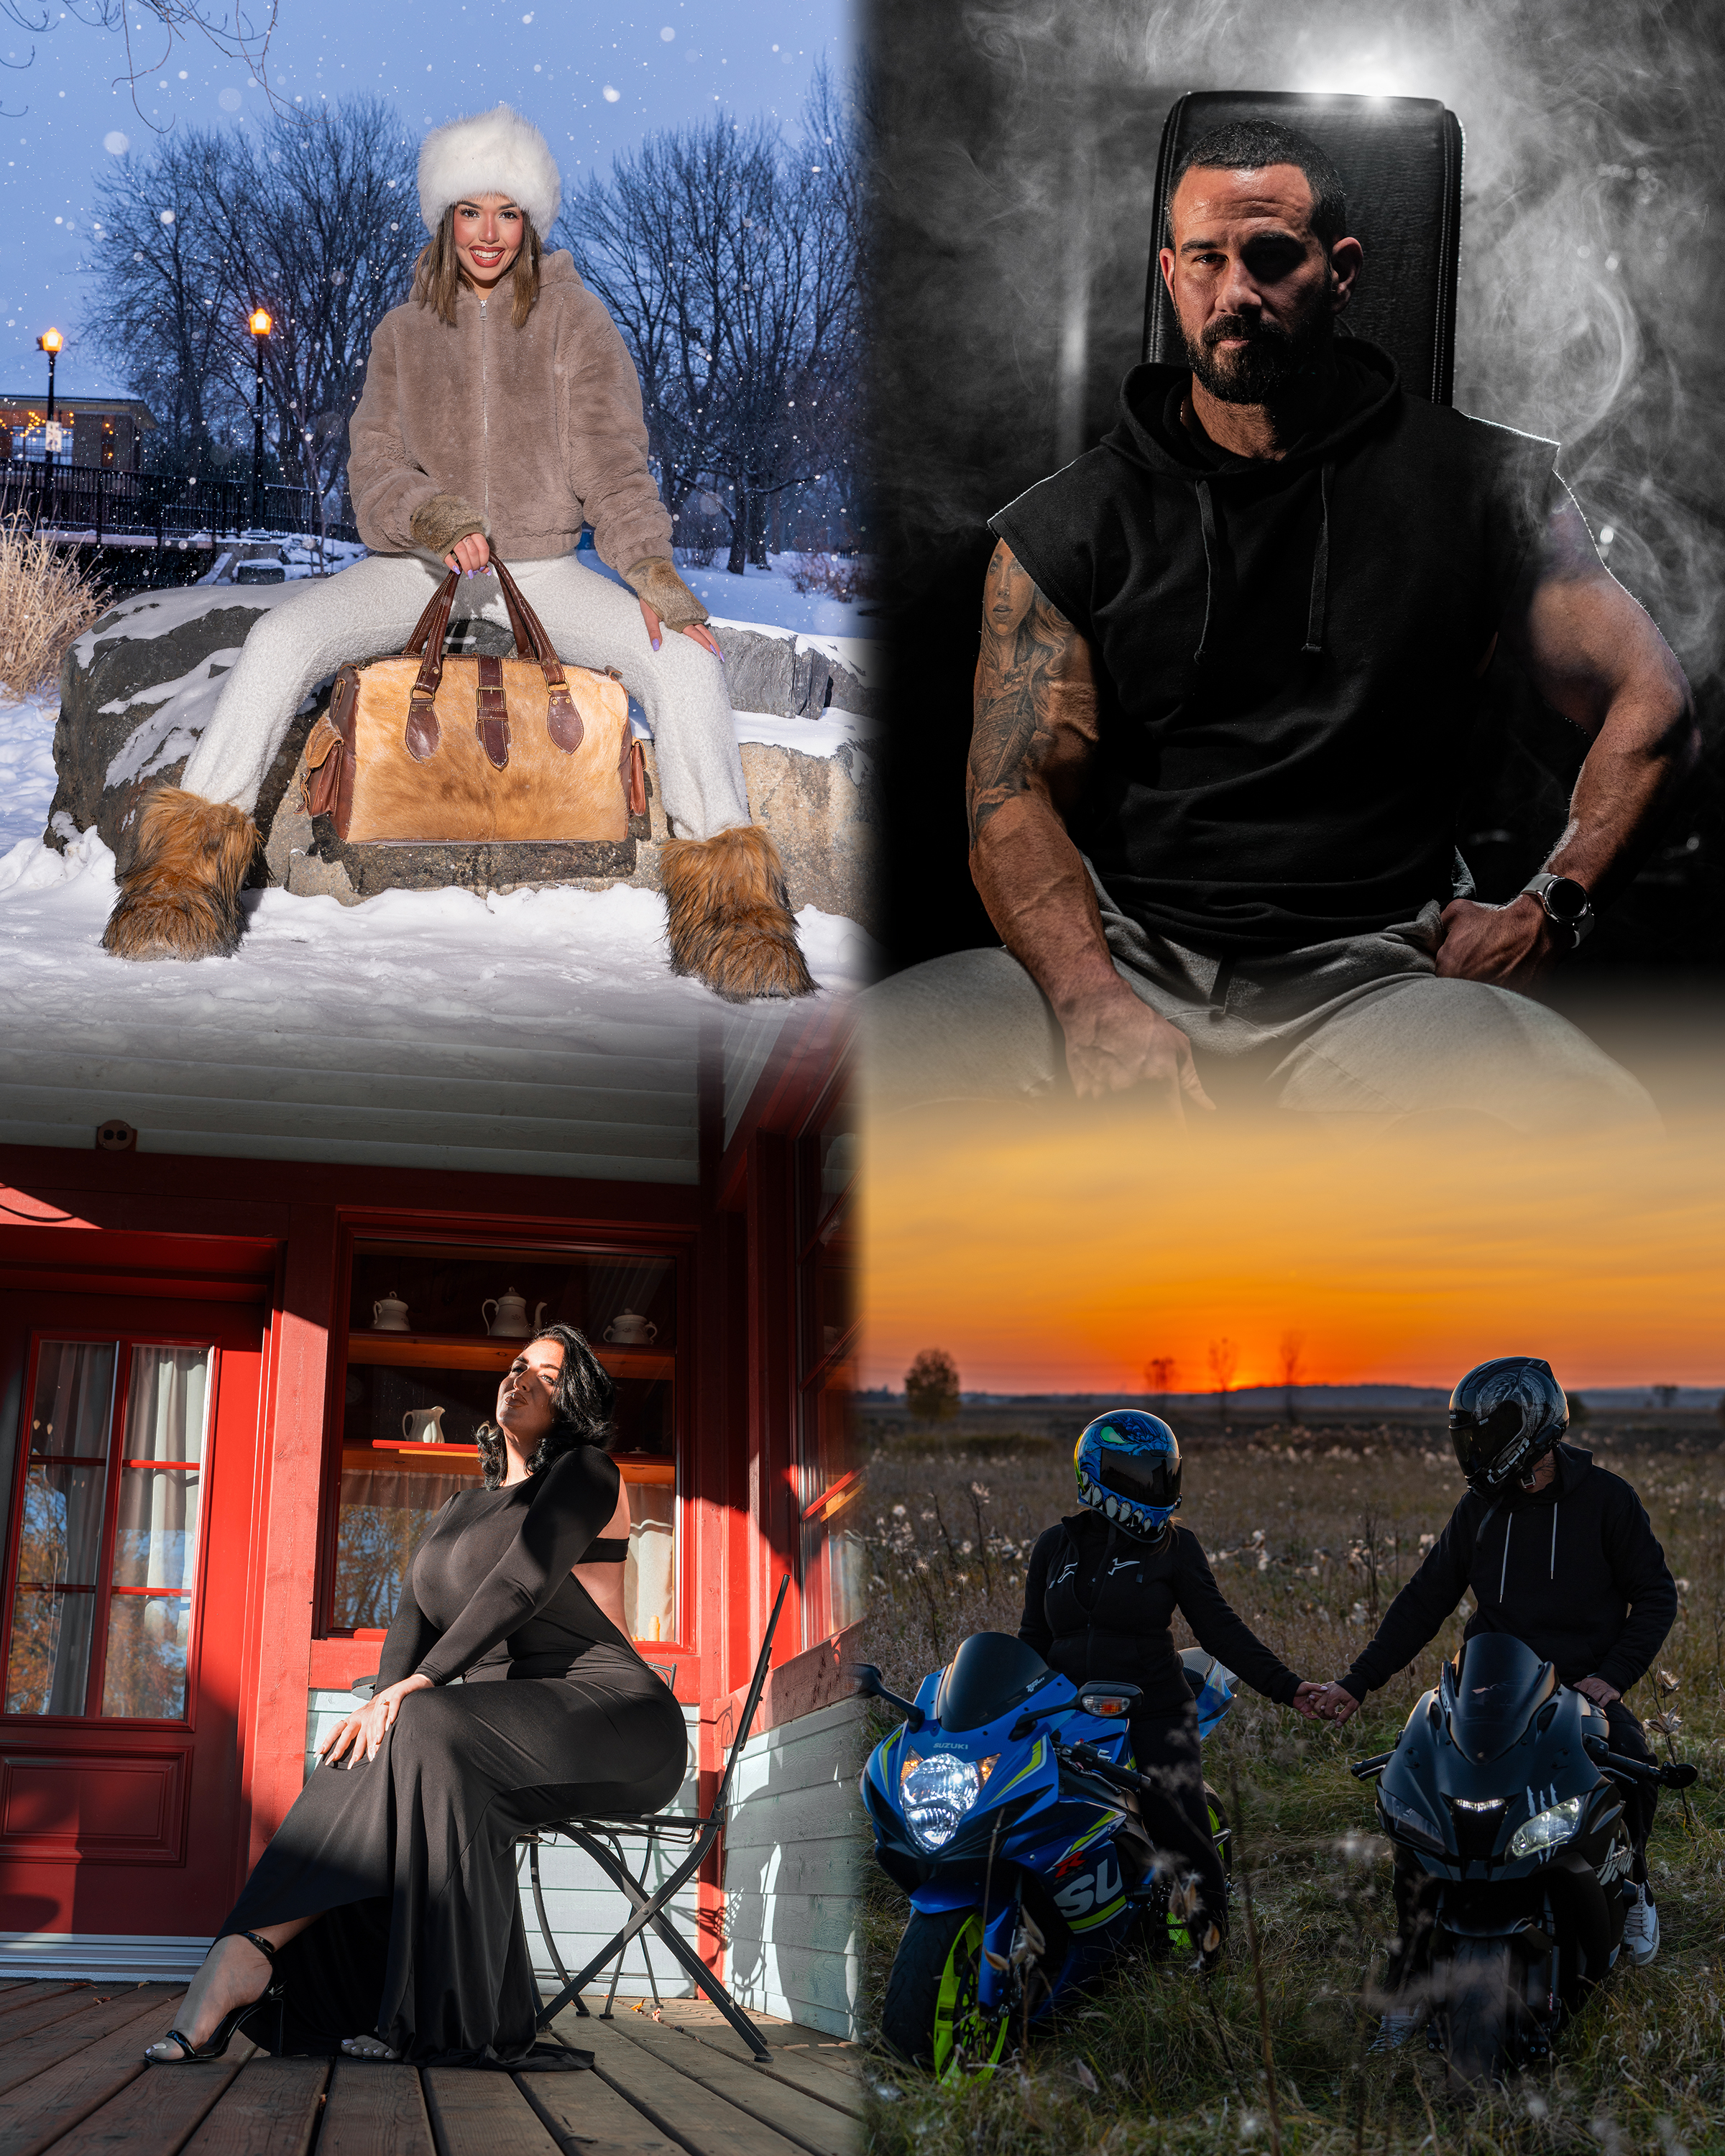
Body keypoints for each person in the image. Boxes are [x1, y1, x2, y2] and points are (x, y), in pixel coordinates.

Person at [862, 118, 1695, 1128]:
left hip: (1375, 979)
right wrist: (1092, 1005)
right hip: (1115, 957)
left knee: (1606, 1140)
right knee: (816, 1091)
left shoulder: (1481, 485)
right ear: (1170, 274)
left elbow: (1651, 701)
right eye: (1206, 262)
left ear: (1340, 273)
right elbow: (1010, 795)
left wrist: (1551, 911)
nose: (1236, 295)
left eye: (1270, 258)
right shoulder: (1066, 527)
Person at [102, 103, 813, 1005]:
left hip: (543, 570)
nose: (488, 233)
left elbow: (616, 470)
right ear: (445, 218)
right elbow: (374, 471)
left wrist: (660, 585)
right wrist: (433, 517)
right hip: (419, 568)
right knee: (282, 639)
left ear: (531, 221)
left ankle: (737, 924)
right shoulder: (402, 333)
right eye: (470, 211)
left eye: (508, 212)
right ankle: (175, 890)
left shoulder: (578, 322)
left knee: (687, 669)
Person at [142, 1324, 686, 2068]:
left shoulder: (588, 1473)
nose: (522, 1378)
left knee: (420, 1717)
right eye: (517, 1365)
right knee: (380, 1733)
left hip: (615, 1717)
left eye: (550, 1376)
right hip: (497, 1731)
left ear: (577, 1400)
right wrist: (380, 1699)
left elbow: (524, 1578)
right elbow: (412, 1622)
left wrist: (420, 1685)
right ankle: (302, 1976)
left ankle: (249, 1957)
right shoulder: (457, 1511)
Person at [1312, 1355, 1678, 1987]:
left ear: (1529, 1431)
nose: (1472, 1450)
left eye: (1484, 1435)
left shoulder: (1606, 1499)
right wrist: (1356, 1681)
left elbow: (1655, 1594)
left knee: (1633, 1759)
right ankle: (1415, 1952)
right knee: (1417, 1779)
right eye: (1467, 1436)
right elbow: (1424, 1600)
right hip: (1490, 1685)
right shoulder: (1477, 1510)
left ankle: (1634, 1882)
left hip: (1580, 1685)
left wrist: (1613, 1676)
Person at [1018, 1409, 1323, 1964]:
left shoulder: (1175, 1548)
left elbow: (1220, 1631)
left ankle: (1211, 1962)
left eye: (1161, 1472)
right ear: (1097, 1472)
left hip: (1154, 1711)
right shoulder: (1053, 1547)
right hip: (1067, 1712)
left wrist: (1289, 1687)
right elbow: (1031, 1642)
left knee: (1180, 1832)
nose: (1152, 1484)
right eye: (1137, 1472)